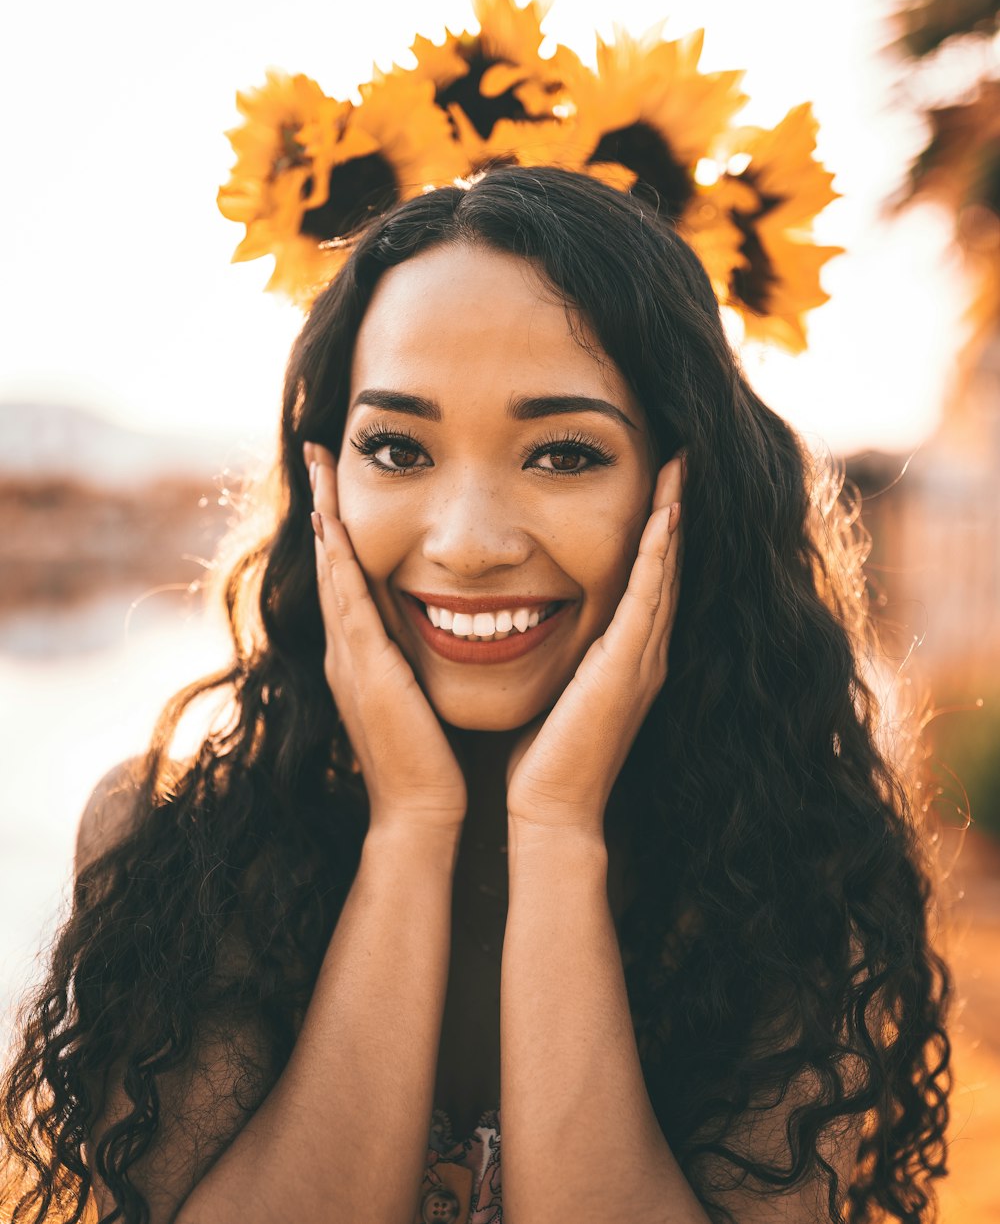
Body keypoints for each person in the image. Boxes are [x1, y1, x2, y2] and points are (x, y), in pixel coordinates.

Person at [1, 167, 951, 1224]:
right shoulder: (176, 843)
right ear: (323, 478)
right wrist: (410, 830)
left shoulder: (793, 873)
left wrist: (554, 835)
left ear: (680, 489)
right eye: (397, 448)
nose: (465, 542)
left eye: (563, 453)